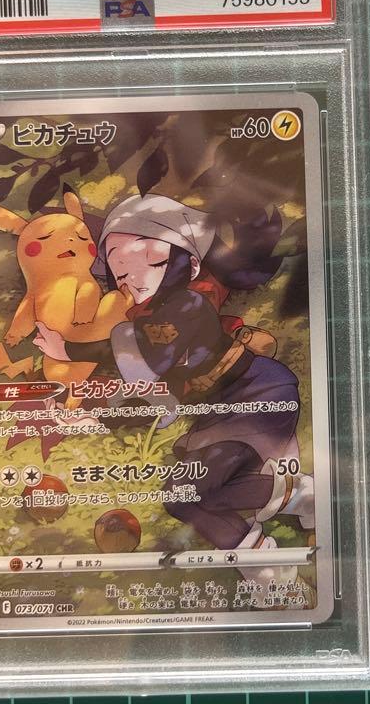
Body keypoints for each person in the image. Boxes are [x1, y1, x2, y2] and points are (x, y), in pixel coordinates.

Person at [33, 194, 314, 590]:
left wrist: (78, 365)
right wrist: (94, 411)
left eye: (152, 260)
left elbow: (152, 372)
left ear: (191, 265)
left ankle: (271, 568)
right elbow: (151, 388)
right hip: (221, 411)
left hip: (258, 396)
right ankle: (298, 502)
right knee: (192, 496)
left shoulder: (187, 306)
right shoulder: (147, 320)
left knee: (185, 494)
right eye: (119, 266)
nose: (133, 276)